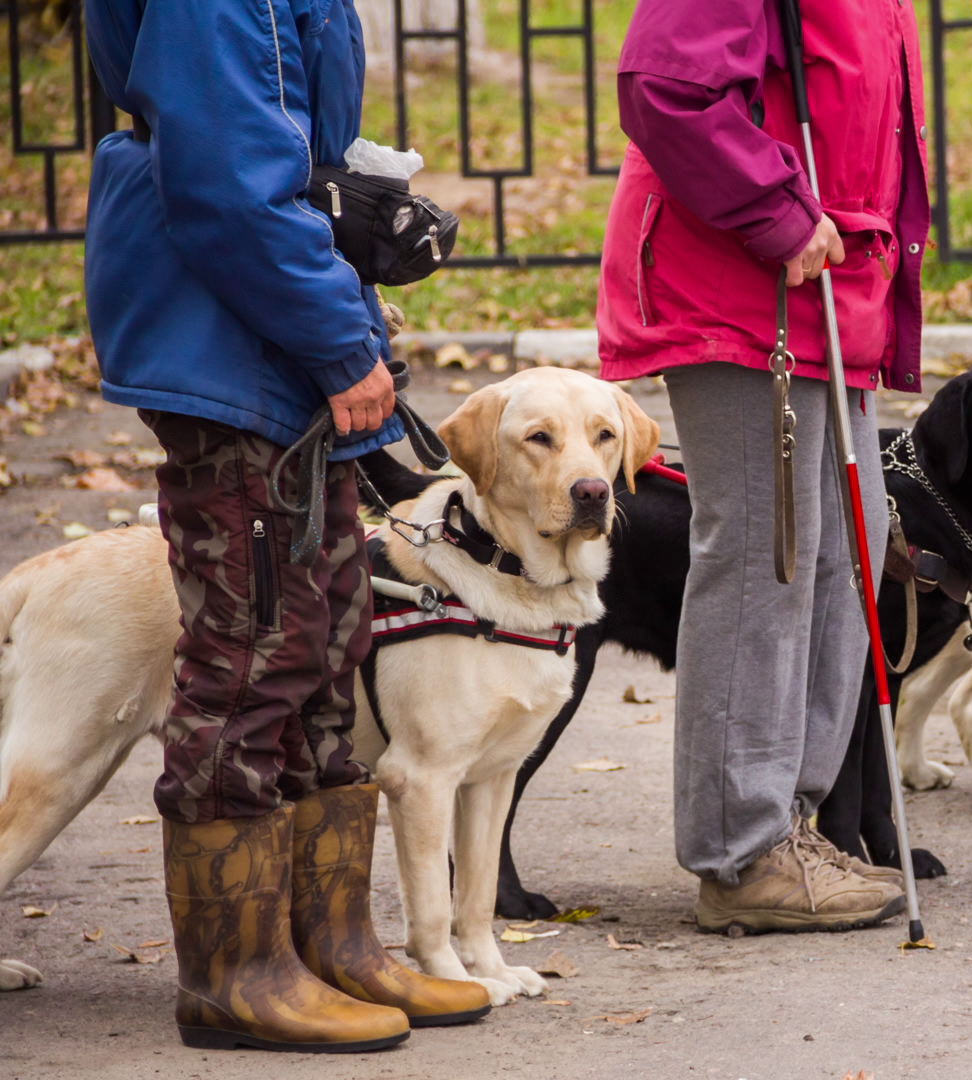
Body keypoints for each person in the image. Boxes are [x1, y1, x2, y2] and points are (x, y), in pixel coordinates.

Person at [84, 0, 491, 1051]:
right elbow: (228, 184)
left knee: (325, 633)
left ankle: (330, 944)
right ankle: (235, 971)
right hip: (231, 336)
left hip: (260, 328)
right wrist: (333, 337)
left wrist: (351, 247)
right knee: (255, 647)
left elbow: (282, 152)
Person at [598, 0, 930, 933]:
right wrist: (777, 214)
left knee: (842, 551)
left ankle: (785, 825)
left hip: (828, 293)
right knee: (766, 557)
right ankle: (741, 850)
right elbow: (665, 88)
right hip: (742, 291)